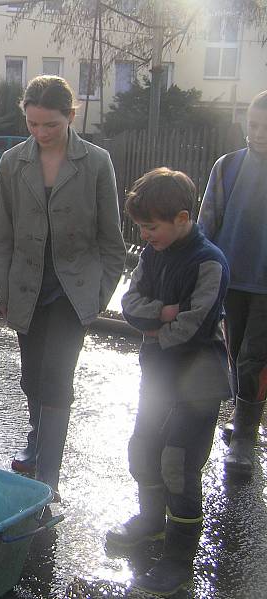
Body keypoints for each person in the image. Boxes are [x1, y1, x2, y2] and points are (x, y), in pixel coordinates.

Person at [0, 75, 125, 499]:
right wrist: (4, 293)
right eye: (32, 124)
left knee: (57, 377)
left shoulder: (97, 161)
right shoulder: (12, 162)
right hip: (27, 287)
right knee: (31, 377)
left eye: (50, 124)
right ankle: (37, 441)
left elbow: (112, 241)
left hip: (73, 290)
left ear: (71, 116)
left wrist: (98, 294)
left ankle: (49, 475)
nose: (41, 133)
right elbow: (4, 236)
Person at [108, 168, 229, 597]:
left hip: (199, 383)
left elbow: (197, 325)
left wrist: (157, 331)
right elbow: (128, 304)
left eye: (151, 227)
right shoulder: (151, 254)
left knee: (178, 466)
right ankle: (150, 523)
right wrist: (161, 316)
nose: (145, 234)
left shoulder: (209, 262)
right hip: (158, 375)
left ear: (182, 219)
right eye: (140, 226)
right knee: (143, 449)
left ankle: (179, 559)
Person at [198, 90, 267, 479]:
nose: (258, 134)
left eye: (266, 128)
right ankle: (245, 420)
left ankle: (243, 438)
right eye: (254, 125)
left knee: (253, 358)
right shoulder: (228, 167)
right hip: (232, 279)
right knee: (234, 353)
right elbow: (208, 224)